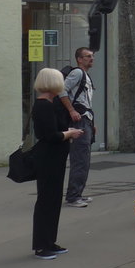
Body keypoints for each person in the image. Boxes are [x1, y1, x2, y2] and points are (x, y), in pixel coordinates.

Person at [31, 68, 82, 260]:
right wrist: (69, 134)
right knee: (46, 201)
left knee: (53, 201)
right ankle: (41, 246)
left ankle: (50, 241)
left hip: (55, 157)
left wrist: (66, 131)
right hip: (48, 158)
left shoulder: (50, 104)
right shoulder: (43, 105)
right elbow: (49, 135)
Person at [60, 47, 95, 208]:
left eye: (92, 56)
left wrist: (92, 123)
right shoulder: (78, 73)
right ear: (79, 59)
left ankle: (77, 194)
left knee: (84, 159)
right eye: (88, 56)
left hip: (85, 119)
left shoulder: (85, 75)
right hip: (79, 120)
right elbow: (61, 91)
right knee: (80, 159)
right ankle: (73, 197)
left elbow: (86, 101)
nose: (91, 59)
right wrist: (72, 110)